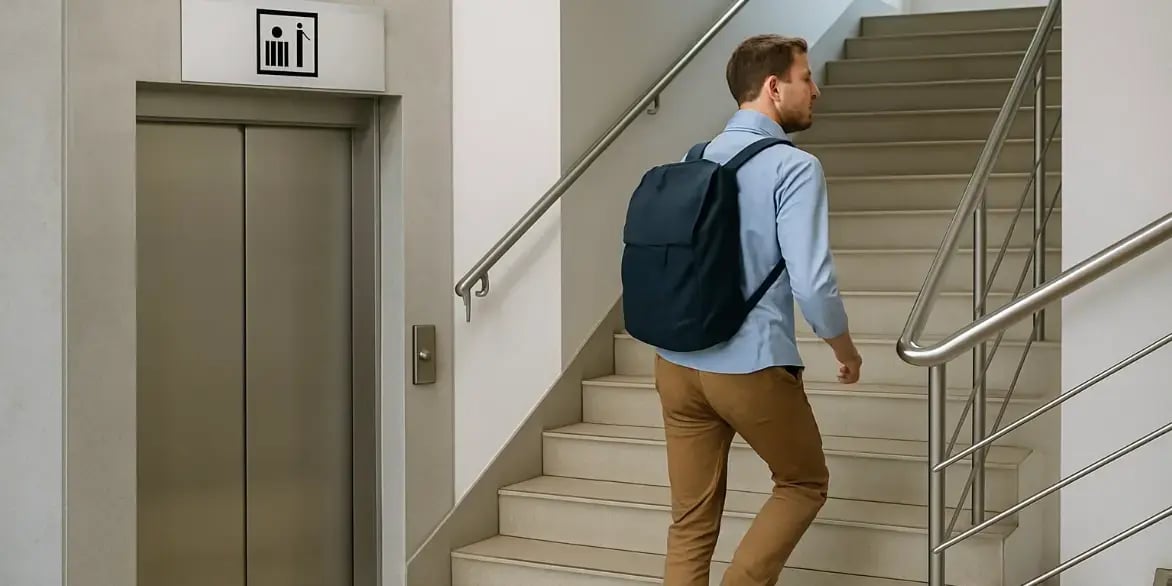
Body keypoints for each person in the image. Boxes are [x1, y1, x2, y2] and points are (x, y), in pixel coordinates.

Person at [652, 34, 863, 586]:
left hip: (675, 362)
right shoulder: (794, 168)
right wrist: (844, 349)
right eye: (805, 77)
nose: (815, 90)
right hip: (748, 365)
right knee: (802, 483)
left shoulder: (693, 158)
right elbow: (813, 283)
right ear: (774, 87)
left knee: (691, 518)